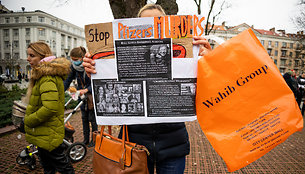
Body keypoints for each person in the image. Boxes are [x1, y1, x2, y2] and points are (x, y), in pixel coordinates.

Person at [83, 4, 212, 174]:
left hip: (173, 144)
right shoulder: (120, 51)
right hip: (134, 145)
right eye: (145, 23)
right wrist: (93, 70)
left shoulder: (183, 52)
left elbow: (209, 89)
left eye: (157, 23)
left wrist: (210, 61)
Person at [24, 41, 74, 174]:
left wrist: (29, 120)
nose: (28, 59)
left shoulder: (46, 78)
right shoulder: (44, 76)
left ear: (42, 57)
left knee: (62, 166)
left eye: (32, 55)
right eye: (28, 55)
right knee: (48, 166)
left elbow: (49, 107)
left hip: (49, 133)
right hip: (45, 132)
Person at [64, 46, 97, 147]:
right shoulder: (74, 68)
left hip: (91, 96)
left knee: (92, 119)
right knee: (84, 119)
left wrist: (87, 90)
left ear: (82, 57)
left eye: (75, 60)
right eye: (72, 60)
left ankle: (94, 139)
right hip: (81, 97)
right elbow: (68, 80)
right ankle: (85, 139)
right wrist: (61, 90)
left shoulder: (90, 65)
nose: (74, 62)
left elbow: (96, 81)